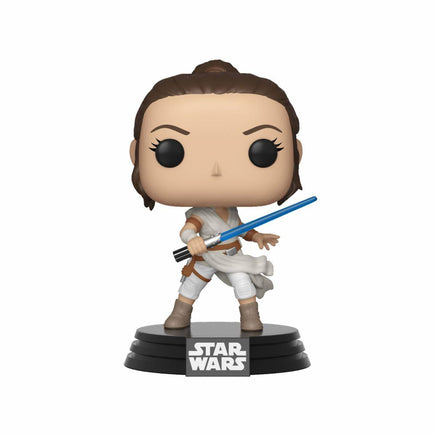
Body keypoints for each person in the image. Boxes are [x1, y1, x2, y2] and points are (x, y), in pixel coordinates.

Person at [129, 60, 303, 331]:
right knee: (191, 286)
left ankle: (250, 318)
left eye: (263, 151)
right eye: (170, 151)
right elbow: (188, 230)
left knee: (243, 284)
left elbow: (239, 228)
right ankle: (180, 314)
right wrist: (193, 240)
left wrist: (256, 236)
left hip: (232, 255)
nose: (216, 171)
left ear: (296, 154)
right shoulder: (201, 214)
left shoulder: (230, 211)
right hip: (205, 257)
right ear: (136, 154)